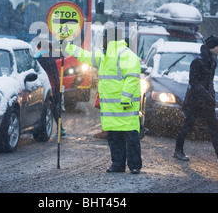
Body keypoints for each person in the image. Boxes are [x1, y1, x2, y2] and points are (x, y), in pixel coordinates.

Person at [65, 25, 142, 174]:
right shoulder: (104, 56)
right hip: (113, 109)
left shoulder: (126, 55)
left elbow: (132, 79)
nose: (103, 41)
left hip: (125, 107)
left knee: (131, 137)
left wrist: (125, 99)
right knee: (115, 138)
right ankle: (118, 165)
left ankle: (134, 166)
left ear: (111, 38)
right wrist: (67, 46)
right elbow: (84, 56)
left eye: (105, 37)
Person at [173, 35, 218, 166]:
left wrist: (211, 96)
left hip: (207, 100)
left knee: (214, 127)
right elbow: (193, 82)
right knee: (188, 125)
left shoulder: (213, 61)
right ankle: (178, 151)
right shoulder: (197, 62)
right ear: (211, 47)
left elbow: (210, 82)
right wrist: (206, 94)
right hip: (195, 100)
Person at [35, 40, 66, 138]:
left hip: (48, 87)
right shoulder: (50, 57)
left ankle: (45, 130)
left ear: (41, 48)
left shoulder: (41, 58)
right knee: (54, 109)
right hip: (55, 86)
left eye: (37, 48)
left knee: (50, 108)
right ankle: (61, 129)